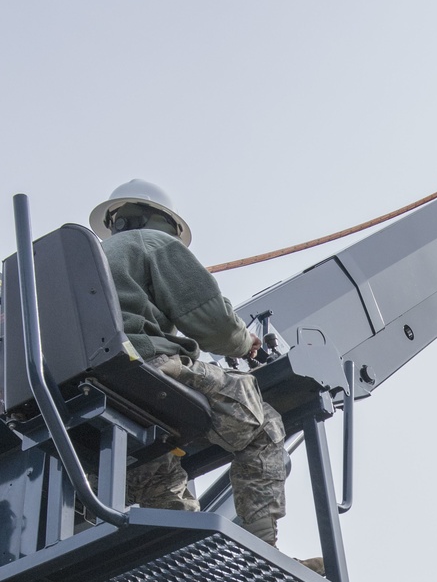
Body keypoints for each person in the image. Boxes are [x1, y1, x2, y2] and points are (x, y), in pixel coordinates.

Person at [89, 179, 288, 547]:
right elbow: (209, 321)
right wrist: (245, 342)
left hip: (73, 398)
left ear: (117, 219)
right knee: (264, 426)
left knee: (154, 476)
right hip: (141, 368)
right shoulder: (155, 243)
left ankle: (178, 550)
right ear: (163, 221)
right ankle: (263, 545)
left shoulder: (69, 264)